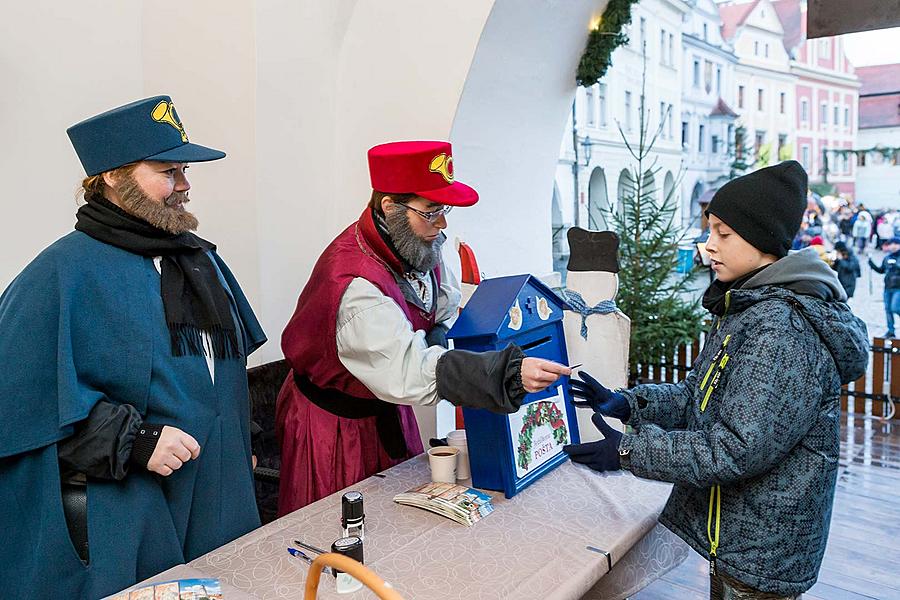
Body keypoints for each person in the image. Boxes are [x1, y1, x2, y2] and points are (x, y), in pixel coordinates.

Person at [0, 96, 267, 597]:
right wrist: (136, 440)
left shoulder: (198, 261)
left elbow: (218, 370)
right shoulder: (59, 274)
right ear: (112, 177)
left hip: (218, 492)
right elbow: (19, 408)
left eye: (184, 170)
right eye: (168, 171)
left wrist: (241, 440)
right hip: (130, 506)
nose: (185, 185)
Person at [564, 161, 868, 599]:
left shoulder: (781, 328)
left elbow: (735, 447)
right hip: (739, 536)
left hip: (762, 552)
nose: (709, 246)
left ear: (762, 238)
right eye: (710, 231)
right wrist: (629, 403)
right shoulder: (749, 305)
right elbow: (699, 396)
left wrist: (628, 449)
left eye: (723, 233)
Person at [276, 140, 568, 514]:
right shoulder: (354, 283)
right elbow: (406, 368)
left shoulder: (416, 243)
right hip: (335, 428)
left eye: (443, 209)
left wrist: (450, 337)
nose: (442, 223)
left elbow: (439, 310)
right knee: (341, 529)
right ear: (389, 207)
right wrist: (501, 372)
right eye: (431, 211)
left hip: (383, 407)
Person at [869, 236, 900, 337]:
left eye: (896, 244)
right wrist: (872, 265)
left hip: (898, 288)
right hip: (887, 287)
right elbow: (881, 270)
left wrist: (897, 265)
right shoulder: (887, 258)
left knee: (895, 307)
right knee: (888, 310)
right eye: (891, 244)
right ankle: (891, 331)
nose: (894, 246)